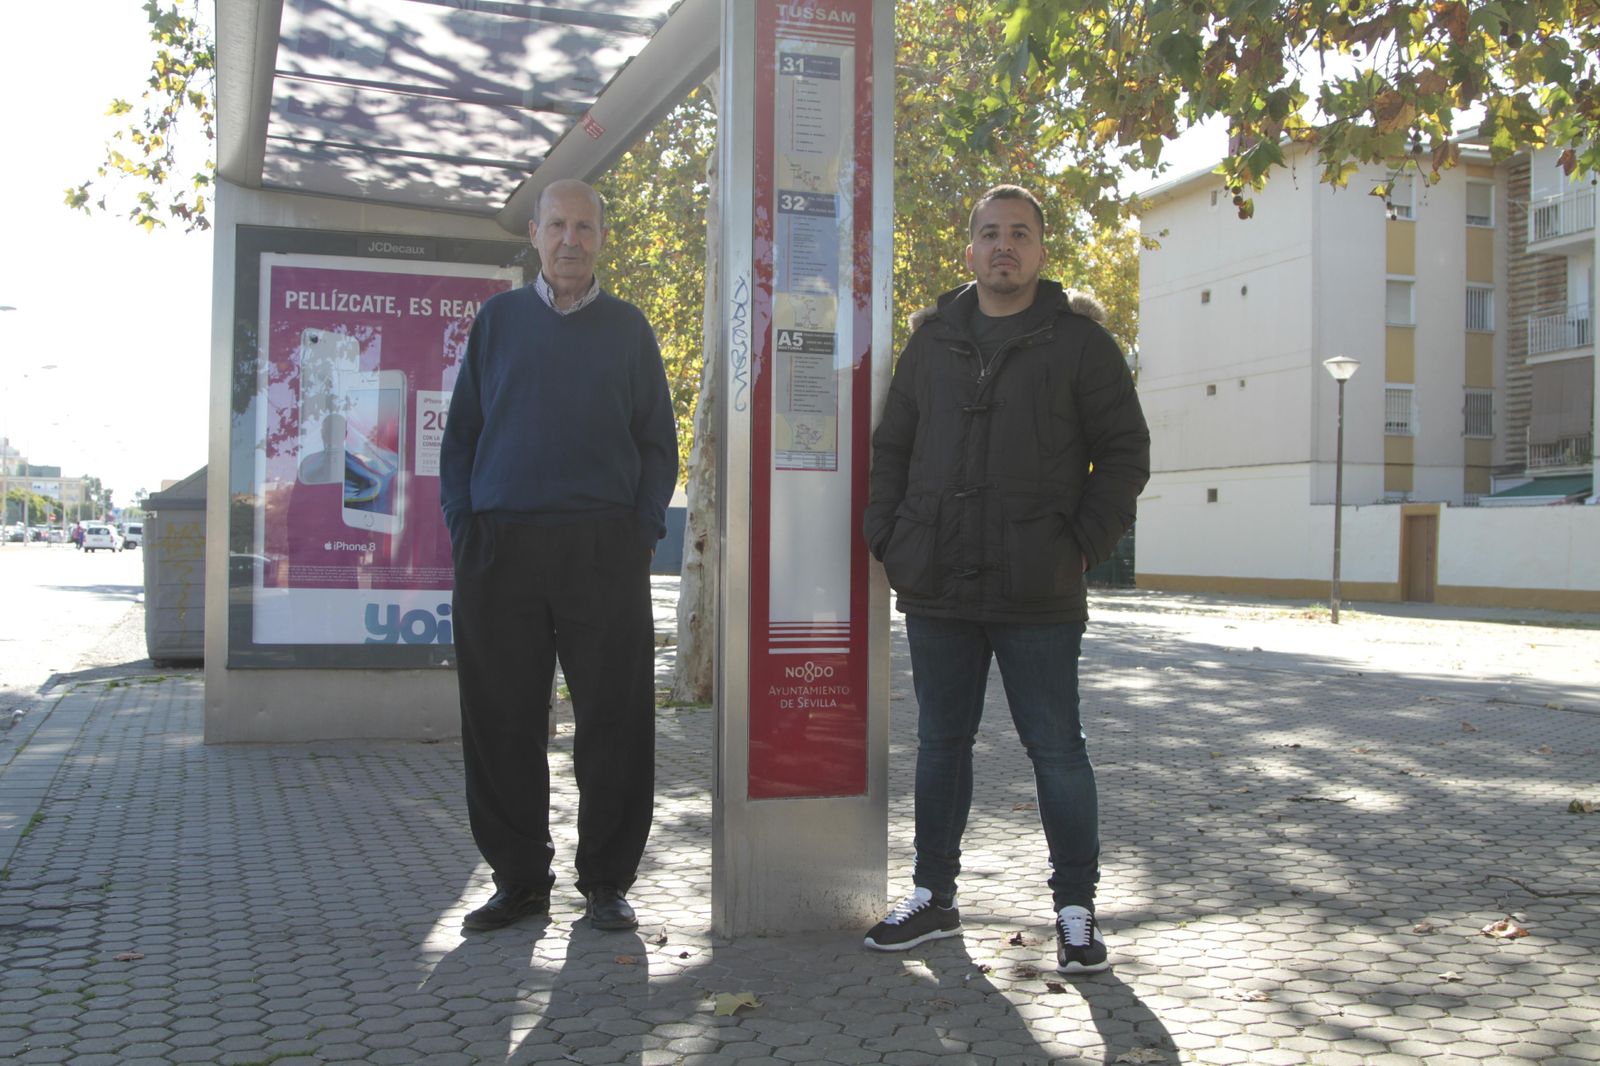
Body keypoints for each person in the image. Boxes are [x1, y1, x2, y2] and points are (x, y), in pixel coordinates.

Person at [861, 185, 1149, 973]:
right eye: (989, 234)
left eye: (1019, 234)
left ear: (1041, 251)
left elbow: (1124, 453)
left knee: (1057, 749)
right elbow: (891, 451)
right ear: (969, 251)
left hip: (1038, 591)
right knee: (940, 745)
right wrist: (889, 535)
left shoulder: (1082, 345)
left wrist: (1081, 544)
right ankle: (933, 898)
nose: (1003, 248)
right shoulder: (932, 344)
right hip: (939, 586)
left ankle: (1077, 911)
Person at [440, 178, 678, 933]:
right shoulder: (498, 322)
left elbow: (657, 445)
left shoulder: (629, 329)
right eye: (557, 225)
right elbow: (461, 439)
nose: (570, 238)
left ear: (602, 238)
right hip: (500, 550)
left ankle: (606, 882)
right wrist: (464, 527)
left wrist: (639, 531)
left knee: (613, 720)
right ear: (535, 236)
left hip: (602, 549)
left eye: (584, 226)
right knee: (502, 721)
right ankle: (518, 881)